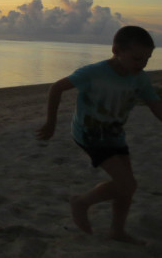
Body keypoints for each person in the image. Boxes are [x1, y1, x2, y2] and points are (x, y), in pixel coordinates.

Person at [36, 26, 162, 244]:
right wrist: (51, 123)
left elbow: (155, 106)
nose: (142, 64)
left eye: (147, 59)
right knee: (127, 184)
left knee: (127, 186)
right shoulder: (93, 73)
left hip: (114, 134)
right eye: (137, 58)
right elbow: (56, 88)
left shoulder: (140, 79)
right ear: (116, 51)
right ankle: (81, 202)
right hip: (89, 134)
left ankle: (117, 230)